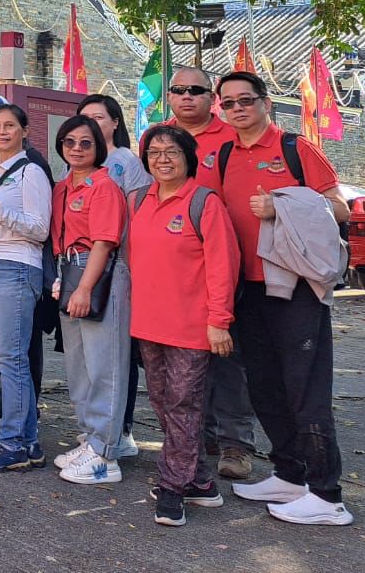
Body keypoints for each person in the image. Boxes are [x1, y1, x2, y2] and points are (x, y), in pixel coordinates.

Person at [213, 72, 353, 526]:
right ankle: (290, 474)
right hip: (247, 286)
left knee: (305, 388)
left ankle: (327, 494)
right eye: (229, 103)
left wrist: (283, 204)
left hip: (295, 288)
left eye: (246, 100)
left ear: (266, 103)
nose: (238, 109)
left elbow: (339, 208)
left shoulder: (295, 147)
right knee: (265, 385)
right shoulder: (226, 154)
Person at [129, 124, 238, 527]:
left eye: (171, 151)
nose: (162, 159)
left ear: (188, 157)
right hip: (149, 324)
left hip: (193, 328)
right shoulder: (139, 199)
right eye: (154, 152)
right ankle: (202, 483)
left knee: (183, 405)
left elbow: (224, 267)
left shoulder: (204, 203)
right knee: (163, 404)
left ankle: (172, 488)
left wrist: (219, 322)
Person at [166, 65, 256, 481]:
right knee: (182, 363)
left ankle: (236, 444)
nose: (187, 97)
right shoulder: (159, 137)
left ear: (211, 98)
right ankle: (194, 439)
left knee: (226, 358)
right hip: (175, 271)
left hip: (222, 264)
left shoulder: (231, 138)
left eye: (196, 90)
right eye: (179, 90)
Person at [0, 102, 51, 473]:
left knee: (11, 359)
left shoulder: (31, 171)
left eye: (8, 125)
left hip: (18, 267)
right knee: (2, 354)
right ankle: (29, 441)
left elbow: (40, 228)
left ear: (23, 130)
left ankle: (13, 442)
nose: (0, 131)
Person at [47, 115, 130, 486]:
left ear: (98, 147)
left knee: (104, 364)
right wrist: (61, 281)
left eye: (86, 143)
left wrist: (84, 287)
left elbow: (104, 241)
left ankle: (106, 453)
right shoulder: (62, 186)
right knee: (78, 364)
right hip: (67, 272)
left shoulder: (103, 186)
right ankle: (90, 437)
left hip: (96, 273)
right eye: (69, 142)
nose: (77, 149)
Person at [75, 92, 148, 458]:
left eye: (100, 117)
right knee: (89, 356)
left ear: (115, 122)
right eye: (85, 117)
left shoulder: (126, 163)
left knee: (116, 355)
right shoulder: (76, 162)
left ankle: (121, 430)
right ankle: (96, 428)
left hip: (115, 262)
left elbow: (137, 219)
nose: (92, 123)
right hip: (77, 266)